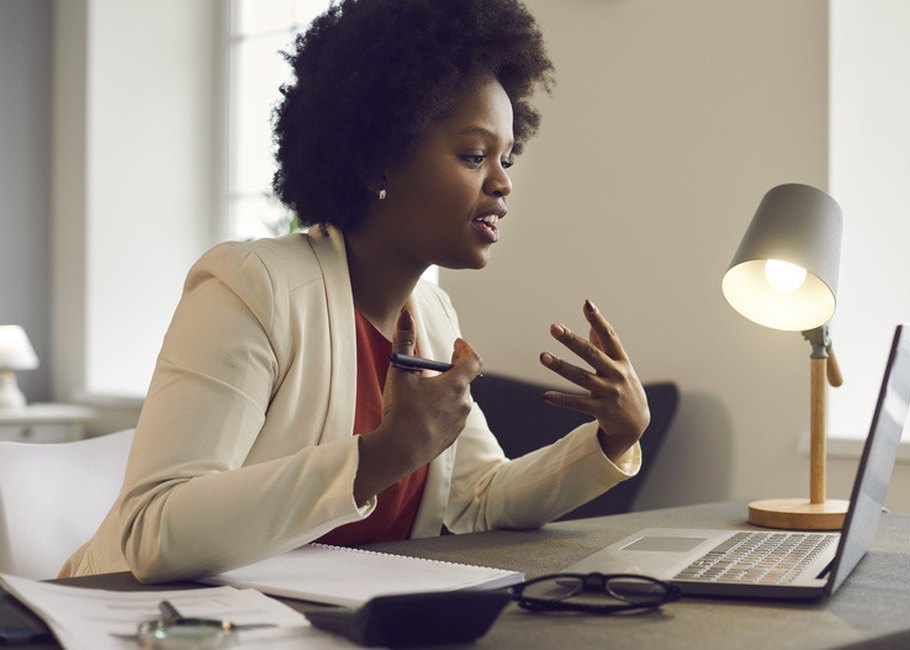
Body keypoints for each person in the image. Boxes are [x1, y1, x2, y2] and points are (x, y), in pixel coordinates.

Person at [61, 0, 650, 582]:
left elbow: (480, 500)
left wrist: (612, 438)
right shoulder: (252, 287)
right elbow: (154, 530)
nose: (504, 182)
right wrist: (377, 459)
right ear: (378, 163)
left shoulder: (433, 317)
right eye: (475, 155)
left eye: (505, 156)